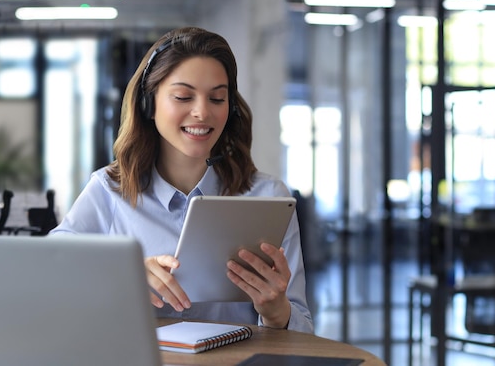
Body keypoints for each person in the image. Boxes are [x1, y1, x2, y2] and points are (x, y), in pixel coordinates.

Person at [50, 26, 314, 334]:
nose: (202, 112)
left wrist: (277, 312)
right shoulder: (110, 190)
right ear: (149, 104)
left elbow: (303, 332)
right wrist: (122, 272)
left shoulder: (268, 196)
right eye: (183, 96)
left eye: (217, 98)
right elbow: (51, 269)